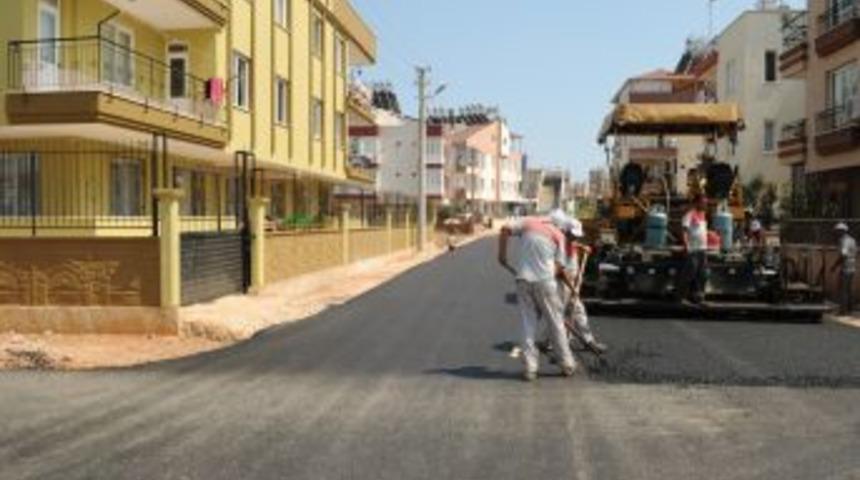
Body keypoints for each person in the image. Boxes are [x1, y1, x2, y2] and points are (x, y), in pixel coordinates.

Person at [498, 210, 579, 382]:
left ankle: (530, 368)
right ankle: (567, 364)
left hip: (523, 280)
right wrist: (569, 286)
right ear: (561, 226)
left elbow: (504, 229)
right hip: (545, 282)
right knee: (556, 322)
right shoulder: (558, 235)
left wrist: (502, 257)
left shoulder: (528, 222)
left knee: (528, 324)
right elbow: (559, 268)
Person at [559, 219, 607, 355]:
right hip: (563, 283)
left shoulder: (570, 241)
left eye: (576, 235)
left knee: (578, 310)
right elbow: (559, 271)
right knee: (559, 313)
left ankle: (588, 340)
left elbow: (573, 244)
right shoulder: (559, 244)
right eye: (572, 234)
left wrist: (582, 247)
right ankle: (554, 342)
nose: (574, 237)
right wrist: (572, 286)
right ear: (565, 231)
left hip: (572, 282)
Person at [680, 194, 709, 304]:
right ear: (696, 203)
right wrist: (686, 245)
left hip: (702, 249)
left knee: (702, 275)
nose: (705, 204)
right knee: (689, 273)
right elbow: (684, 231)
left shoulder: (703, 215)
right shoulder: (689, 215)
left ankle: (698, 298)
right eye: (703, 202)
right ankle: (682, 297)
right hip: (693, 249)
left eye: (705, 202)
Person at [831, 223, 857, 316]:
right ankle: (850, 309)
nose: (836, 233)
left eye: (837, 231)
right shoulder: (852, 240)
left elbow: (843, 255)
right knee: (848, 289)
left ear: (842, 231)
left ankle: (843, 311)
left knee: (843, 289)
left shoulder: (844, 241)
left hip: (846, 267)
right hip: (852, 266)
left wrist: (834, 266)